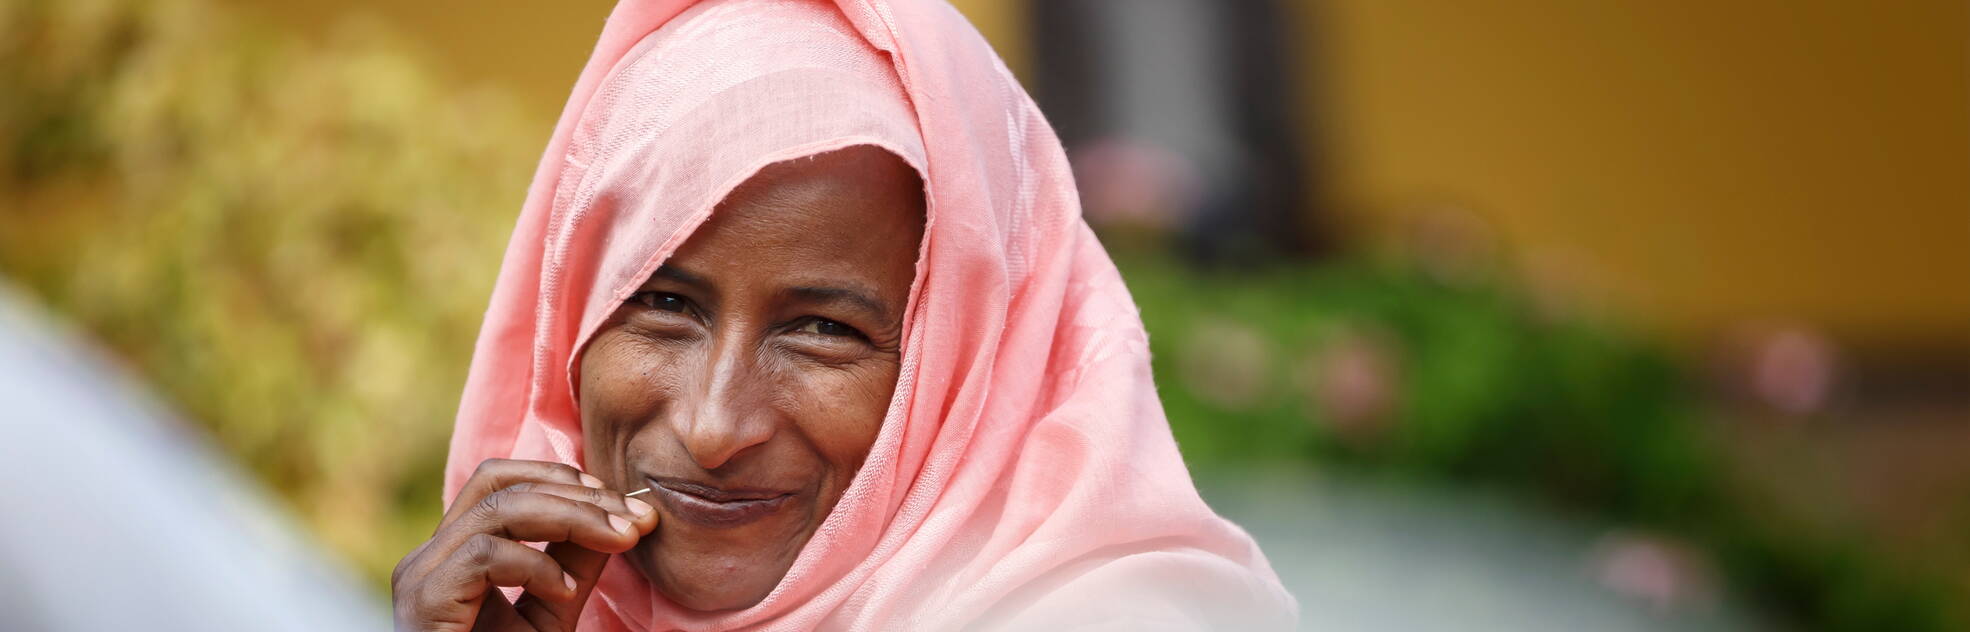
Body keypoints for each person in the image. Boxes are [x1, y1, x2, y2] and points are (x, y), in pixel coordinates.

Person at [390, 0, 1297, 629]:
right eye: (661, 305)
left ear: (968, 366)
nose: (712, 429)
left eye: (823, 331)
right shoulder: (558, 614)